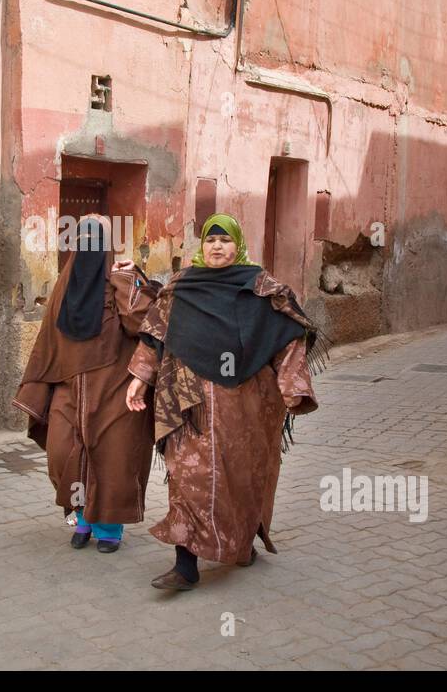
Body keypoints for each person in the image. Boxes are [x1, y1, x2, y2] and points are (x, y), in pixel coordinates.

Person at [126, 213, 325, 589]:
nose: (217, 246)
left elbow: (287, 334)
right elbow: (155, 333)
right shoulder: (183, 286)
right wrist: (139, 378)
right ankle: (185, 565)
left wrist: (294, 386)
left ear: (238, 244)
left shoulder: (261, 288)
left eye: (225, 240)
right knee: (187, 476)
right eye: (210, 240)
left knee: (240, 475)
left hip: (244, 405)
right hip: (189, 403)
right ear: (202, 246)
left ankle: (243, 540)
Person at [14, 216, 160, 553]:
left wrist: (132, 279)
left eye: (97, 238)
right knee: (63, 453)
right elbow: (49, 340)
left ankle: (108, 526)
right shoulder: (66, 285)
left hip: (114, 387)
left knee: (112, 457)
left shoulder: (119, 278)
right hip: (69, 388)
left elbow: (145, 323)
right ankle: (82, 514)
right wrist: (43, 385)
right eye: (83, 237)